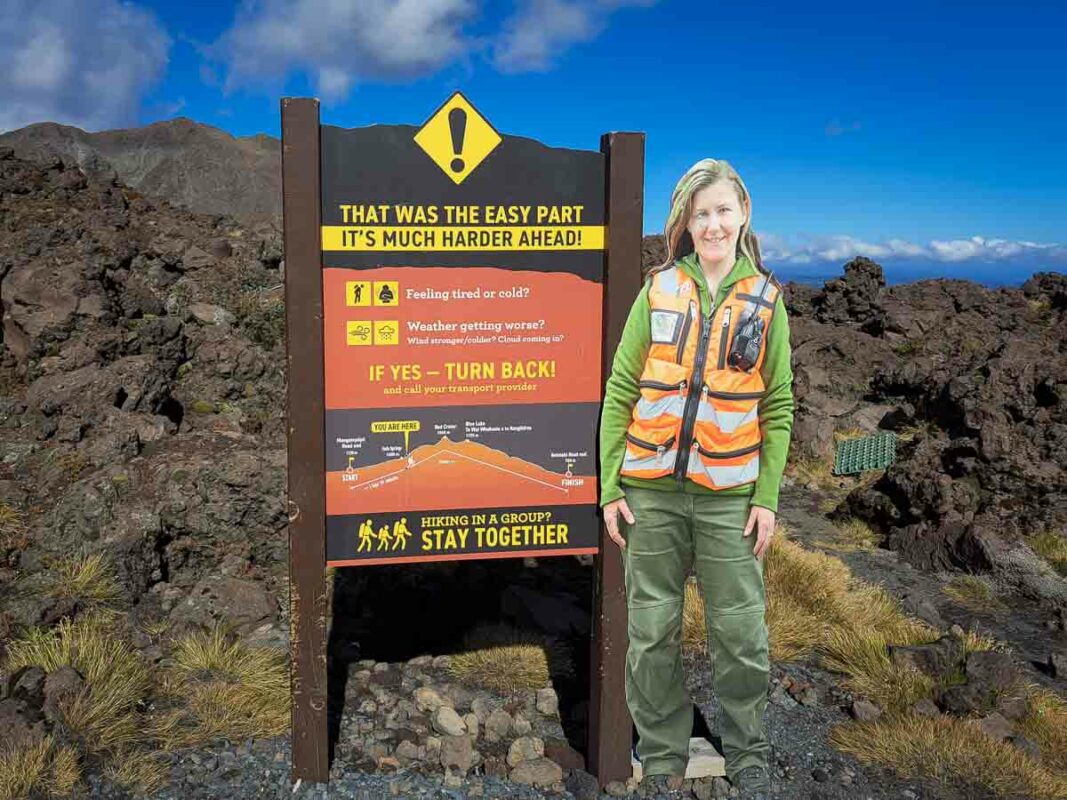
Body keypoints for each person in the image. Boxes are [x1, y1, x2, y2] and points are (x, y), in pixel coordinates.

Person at [599, 158, 794, 798]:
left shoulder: (767, 301)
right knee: (651, 631)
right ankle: (662, 753)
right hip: (649, 492)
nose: (713, 224)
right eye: (700, 213)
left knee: (740, 631)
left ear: (743, 216)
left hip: (729, 499)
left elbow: (780, 406)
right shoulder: (657, 290)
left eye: (723, 211)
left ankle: (748, 752)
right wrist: (611, 485)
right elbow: (622, 386)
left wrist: (766, 497)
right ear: (684, 223)